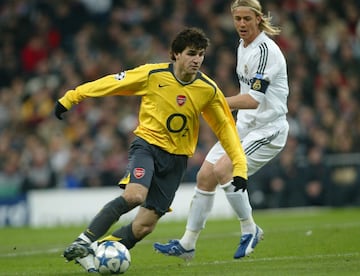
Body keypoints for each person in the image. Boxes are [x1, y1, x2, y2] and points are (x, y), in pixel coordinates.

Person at [54, 27, 248, 272]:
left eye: (201, 54)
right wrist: (72, 97)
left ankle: (92, 251)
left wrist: (239, 166)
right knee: (135, 195)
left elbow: (225, 128)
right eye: (191, 53)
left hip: (176, 160)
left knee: (144, 226)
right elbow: (111, 83)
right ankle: (84, 240)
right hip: (147, 146)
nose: (197, 59)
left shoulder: (208, 90)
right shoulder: (152, 74)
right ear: (176, 54)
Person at [154, 0, 289, 260]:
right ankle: (187, 244)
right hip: (245, 126)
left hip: (268, 130)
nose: (241, 24)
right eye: (237, 19)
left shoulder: (265, 52)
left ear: (258, 19)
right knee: (206, 175)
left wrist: (213, 101)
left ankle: (250, 229)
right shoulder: (243, 46)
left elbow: (252, 100)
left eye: (246, 19)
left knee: (224, 169)